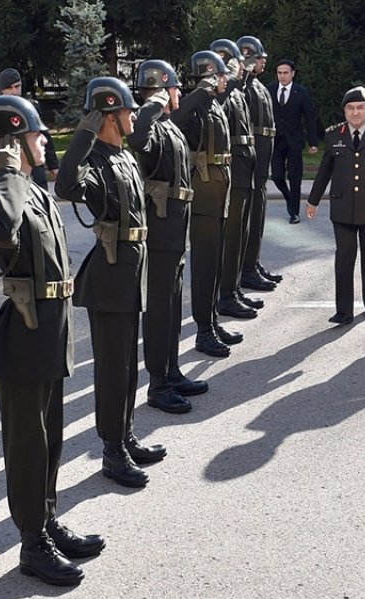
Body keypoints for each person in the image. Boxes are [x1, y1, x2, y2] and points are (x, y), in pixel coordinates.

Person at [0, 95, 103, 587]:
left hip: (51, 331)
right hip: (24, 338)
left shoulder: (34, 190)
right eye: (35, 134)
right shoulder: (1, 194)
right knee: (28, 447)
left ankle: (46, 520)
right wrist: (6, 170)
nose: (45, 140)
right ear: (13, 143)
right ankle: (32, 543)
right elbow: (3, 235)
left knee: (50, 440)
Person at [56, 77, 166, 489]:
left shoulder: (123, 155)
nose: (134, 115)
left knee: (127, 365)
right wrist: (86, 129)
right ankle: (112, 451)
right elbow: (67, 185)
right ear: (108, 116)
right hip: (110, 274)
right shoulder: (97, 158)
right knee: (112, 369)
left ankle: (126, 435)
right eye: (126, 110)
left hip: (132, 269)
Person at [128, 60, 210, 414]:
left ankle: (172, 371)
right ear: (162, 91)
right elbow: (137, 139)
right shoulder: (150, 125)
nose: (178, 95)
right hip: (160, 229)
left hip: (175, 228)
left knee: (173, 306)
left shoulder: (169, 126)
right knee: (159, 308)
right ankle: (157, 384)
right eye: (173, 90)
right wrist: (153, 103)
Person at [306, 87, 365, 324]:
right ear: (344, 110)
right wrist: (313, 200)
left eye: (360, 107)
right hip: (342, 208)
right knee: (344, 260)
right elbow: (324, 170)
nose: (355, 112)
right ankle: (344, 311)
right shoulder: (333, 135)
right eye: (350, 108)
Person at [171, 51, 242, 357]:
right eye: (221, 74)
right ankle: (203, 331)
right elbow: (176, 118)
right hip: (203, 189)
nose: (227, 79)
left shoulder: (214, 103)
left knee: (215, 261)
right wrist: (203, 88)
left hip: (219, 186)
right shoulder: (198, 102)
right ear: (210, 75)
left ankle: (211, 320)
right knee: (205, 263)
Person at [210, 39, 263, 320]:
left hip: (244, 167)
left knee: (239, 234)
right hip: (234, 171)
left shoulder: (236, 92)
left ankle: (234, 288)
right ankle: (226, 295)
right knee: (231, 238)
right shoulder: (221, 94)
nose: (242, 69)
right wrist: (230, 75)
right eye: (235, 64)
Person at [237, 36, 284, 294]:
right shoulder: (244, 87)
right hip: (252, 161)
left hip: (262, 162)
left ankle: (253, 263)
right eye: (258, 57)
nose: (263, 60)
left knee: (259, 215)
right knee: (250, 216)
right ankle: (246, 268)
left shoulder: (259, 86)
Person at [270, 59, 318, 223]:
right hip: (276, 141)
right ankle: (289, 197)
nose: (282, 76)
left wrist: (313, 142)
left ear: (292, 74)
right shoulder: (270, 90)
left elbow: (310, 118)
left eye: (285, 73)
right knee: (276, 176)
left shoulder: (301, 92)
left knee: (295, 177)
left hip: (294, 141)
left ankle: (294, 212)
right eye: (279, 73)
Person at [0, 68, 60, 189]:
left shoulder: (30, 107)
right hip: (8, 165)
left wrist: (53, 166)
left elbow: (44, 136)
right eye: (9, 88)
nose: (14, 91)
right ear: (2, 90)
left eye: (17, 86)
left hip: (33, 163)